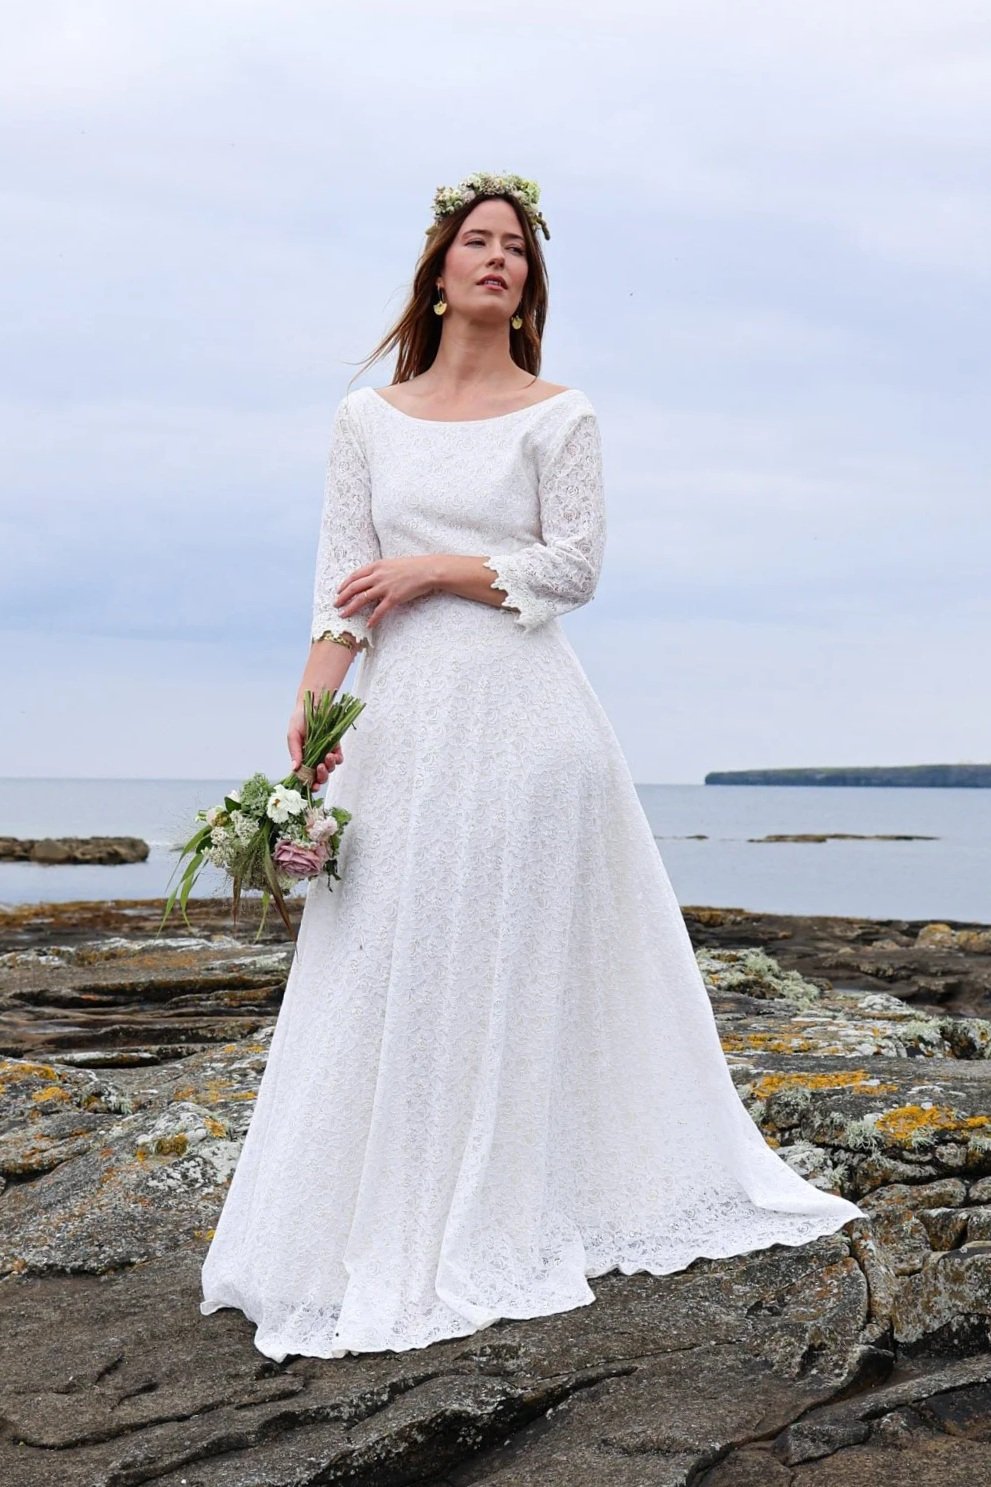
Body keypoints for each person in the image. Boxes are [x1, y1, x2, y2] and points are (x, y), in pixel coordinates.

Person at [199, 171, 866, 1362]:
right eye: (478, 241)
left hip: (528, 723)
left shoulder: (561, 415)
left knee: (508, 952)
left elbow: (574, 567)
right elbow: (338, 594)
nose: (497, 257)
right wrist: (308, 729)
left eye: (514, 246)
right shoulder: (368, 421)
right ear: (439, 273)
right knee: (393, 946)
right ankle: (382, 1201)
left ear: (527, 283)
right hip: (403, 726)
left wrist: (435, 569)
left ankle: (513, 1192)